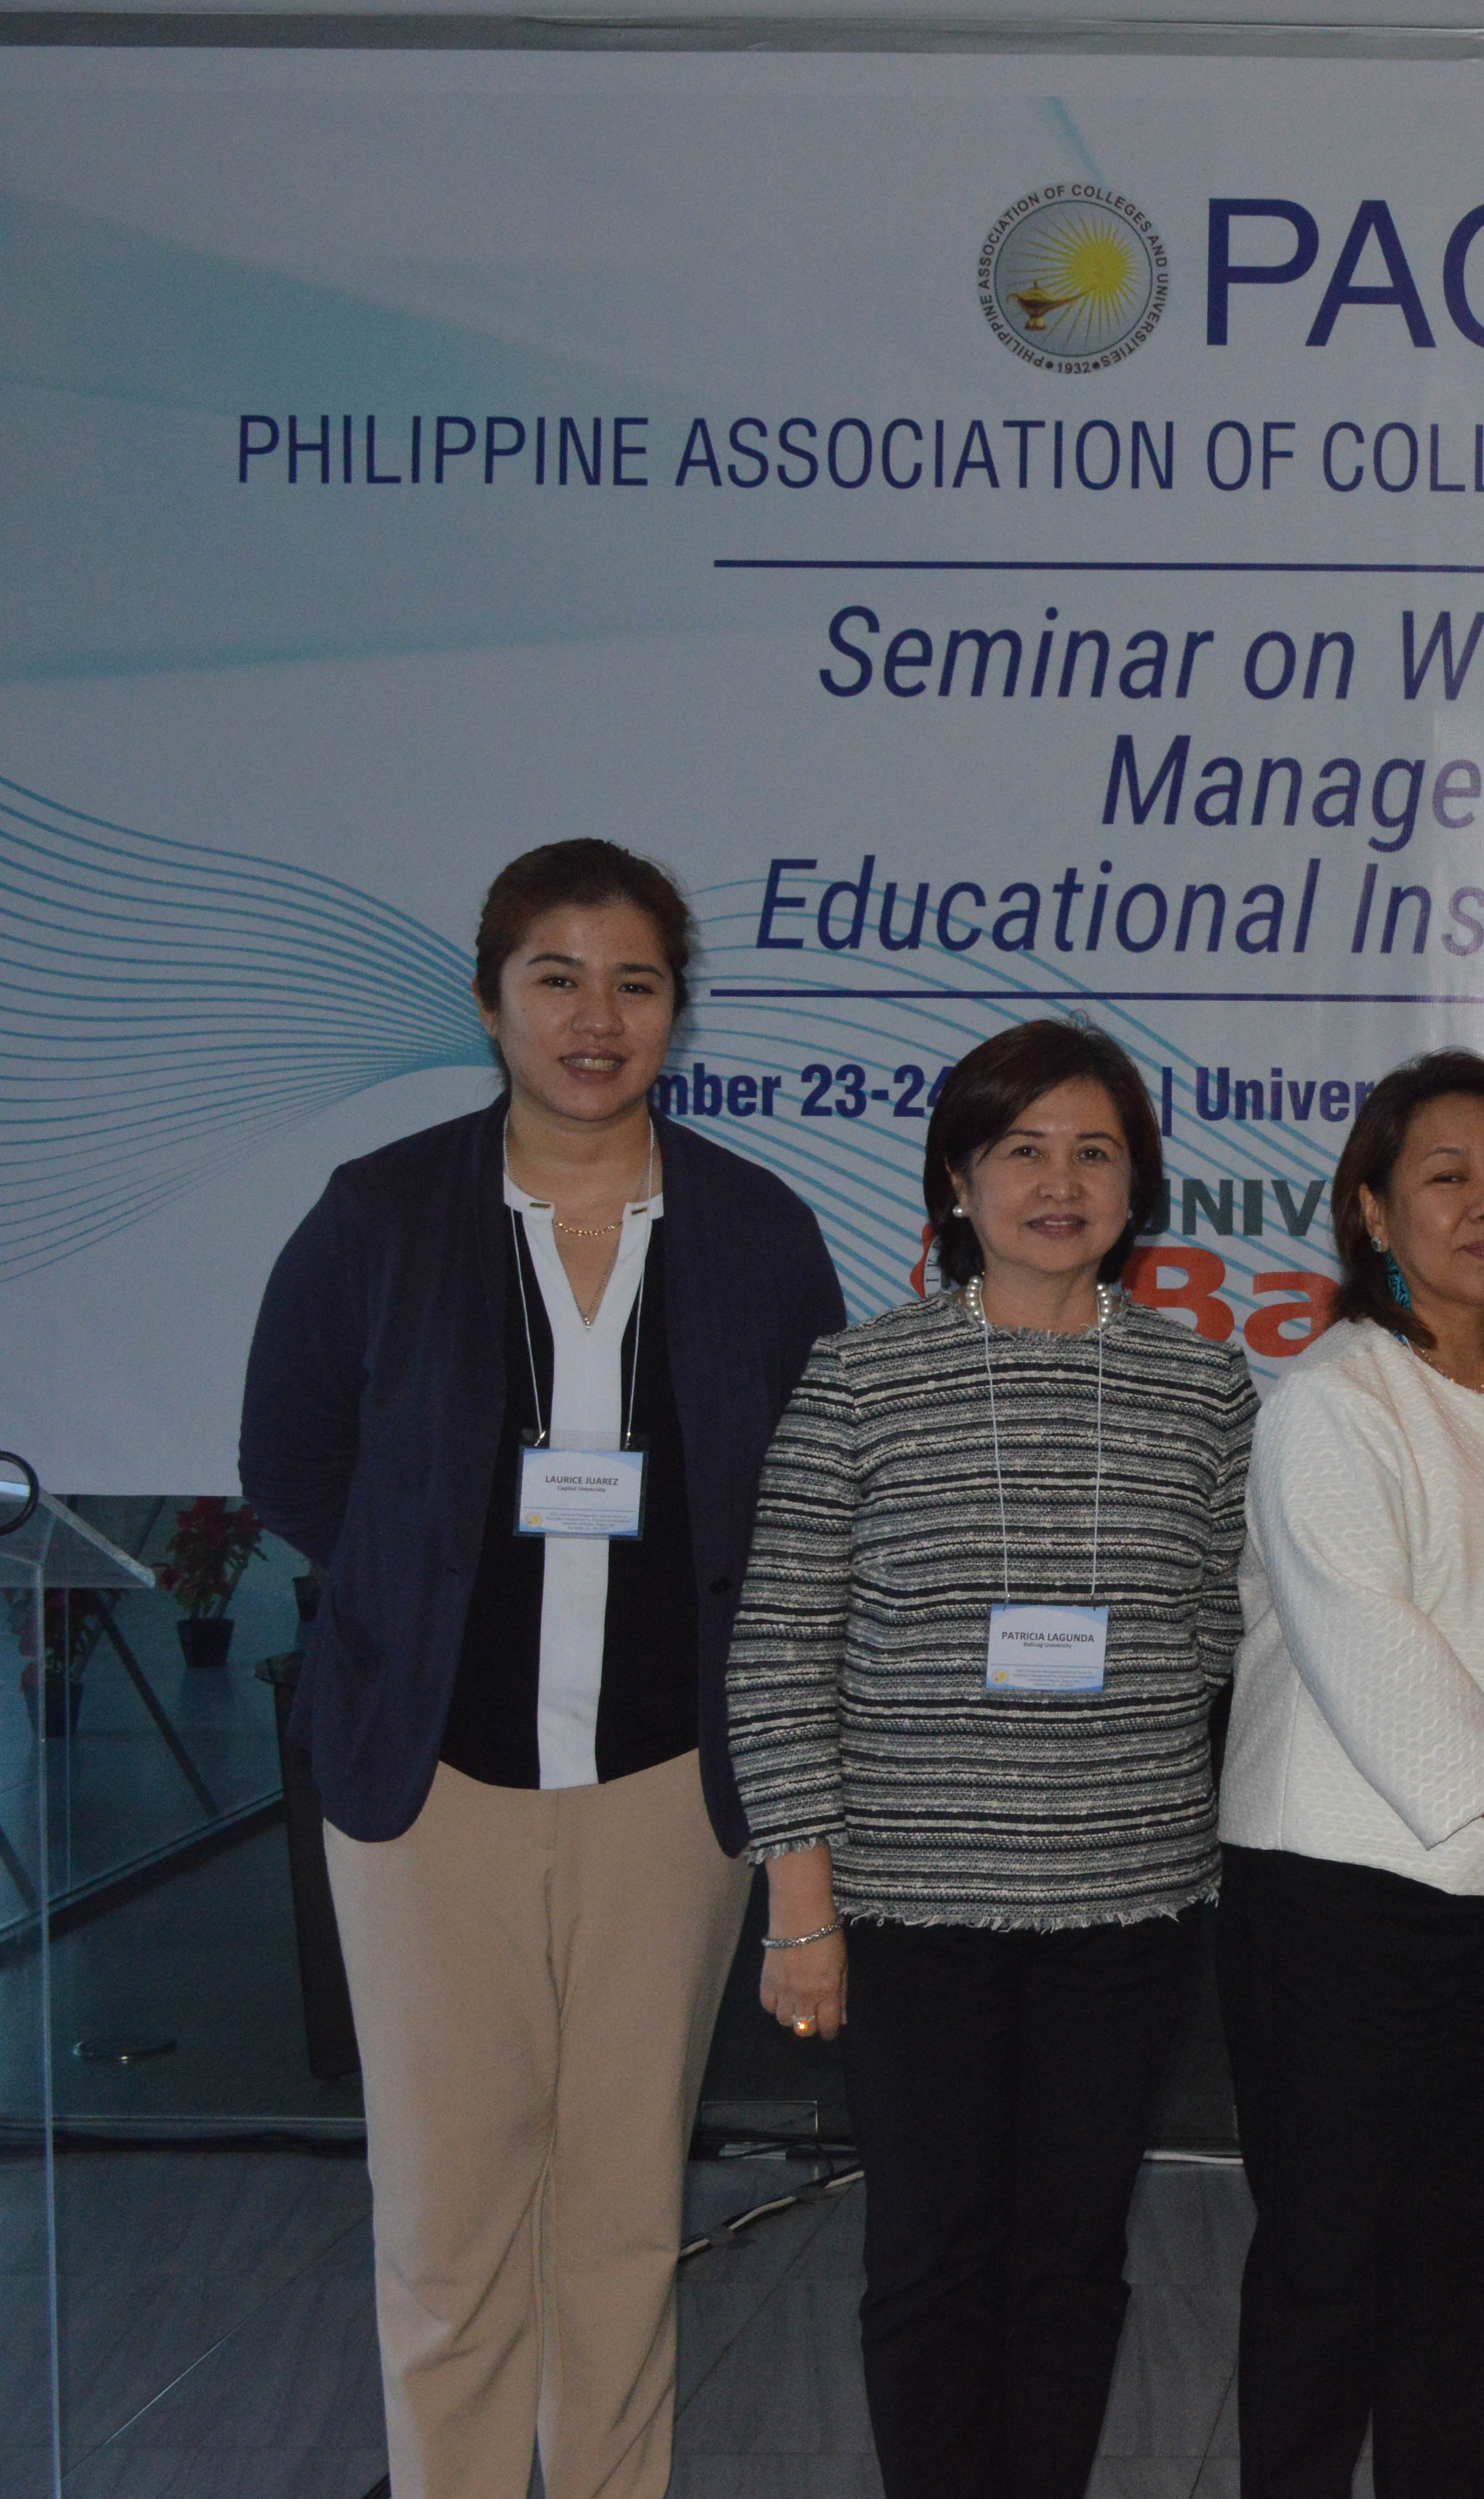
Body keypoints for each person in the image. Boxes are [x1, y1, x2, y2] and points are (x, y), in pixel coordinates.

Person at [238, 839, 844, 2499]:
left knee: (625, 2208)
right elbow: (291, 1463)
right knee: (448, 2213)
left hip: (666, 1789)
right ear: (489, 1000)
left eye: (635, 983)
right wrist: (419, 1588)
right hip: (429, 1787)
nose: (597, 1018)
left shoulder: (755, 1229)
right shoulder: (380, 1214)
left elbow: (803, 1510)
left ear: (676, 1012)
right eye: (557, 978)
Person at [726, 1018, 1254, 2499]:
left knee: (1074, 2256)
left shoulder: (1205, 1389)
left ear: (1138, 1188)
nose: (1058, 1183)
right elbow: (779, 1646)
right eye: (1020, 1148)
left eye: (1094, 1151)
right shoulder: (860, 1378)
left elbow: (1219, 1628)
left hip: (1128, 1903)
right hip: (912, 1906)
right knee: (931, 2253)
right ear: (956, 1179)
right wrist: (801, 1907)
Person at [1220, 1050, 1484, 2497]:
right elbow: (1370, 1646)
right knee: (1326, 2261)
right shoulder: (1333, 1397)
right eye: (1446, 1175)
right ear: (1371, 1210)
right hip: (1342, 1897)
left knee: (1462, 2258)